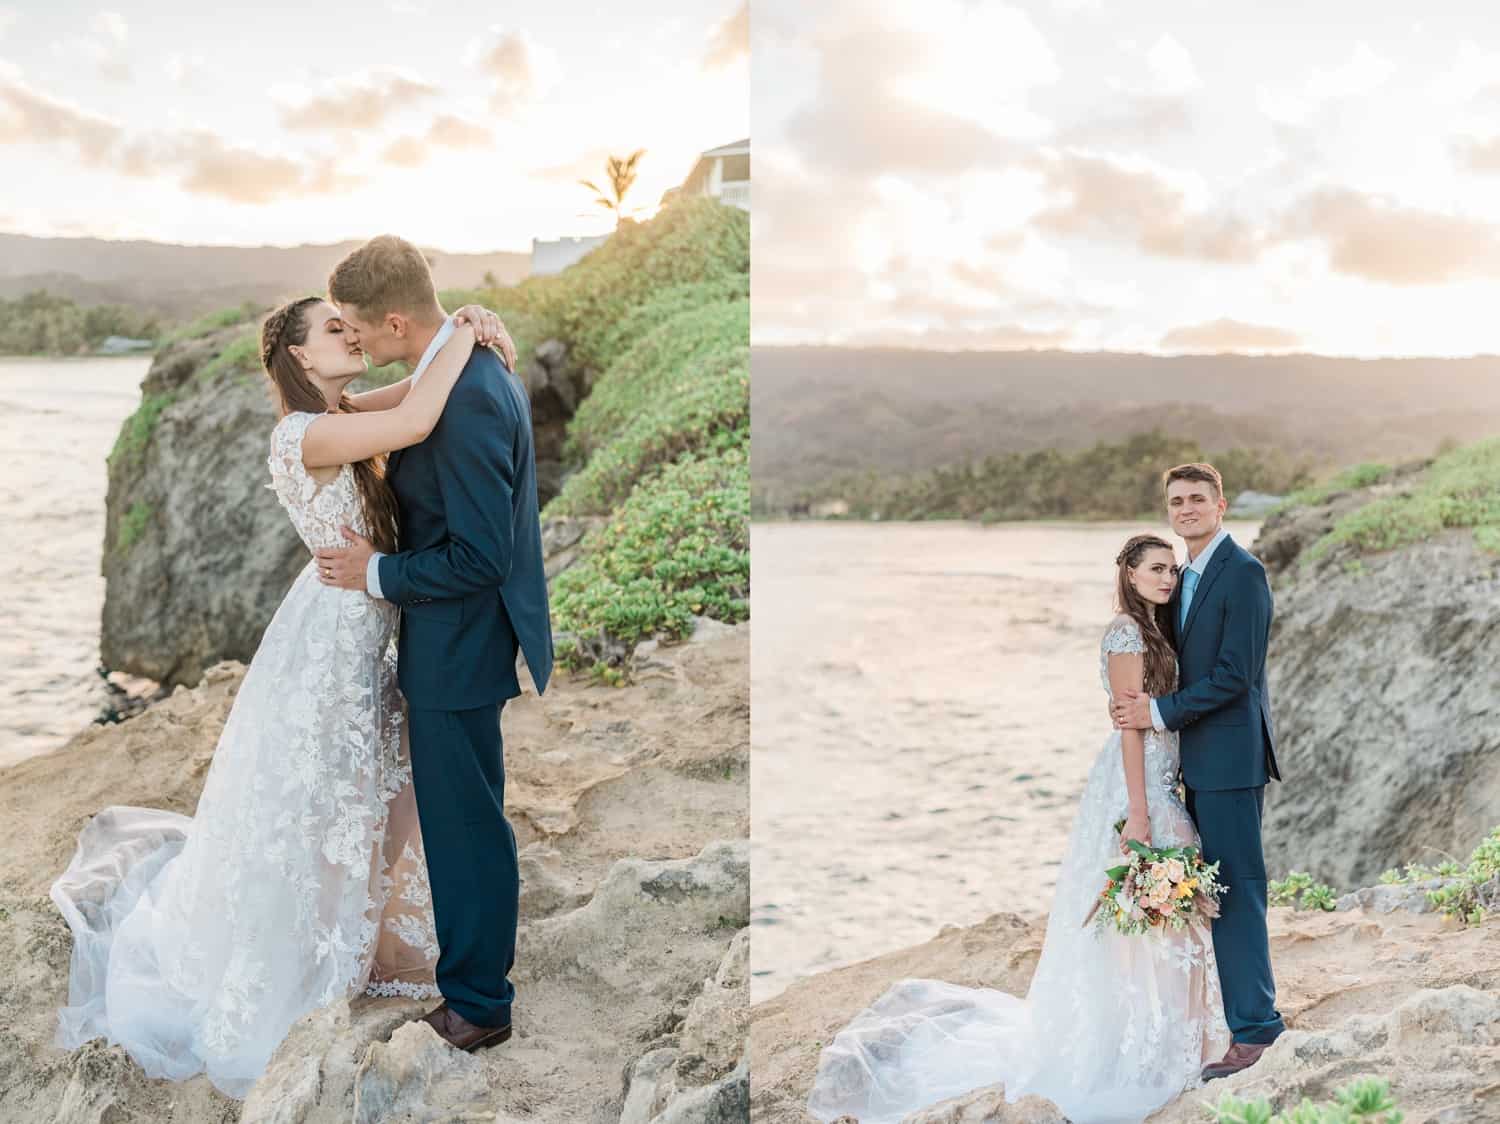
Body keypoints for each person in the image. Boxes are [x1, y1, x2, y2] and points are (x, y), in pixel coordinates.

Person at [50, 292, 510, 1098]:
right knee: (330, 801)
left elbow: (414, 389)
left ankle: (355, 934)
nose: (352, 335)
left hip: (369, 626)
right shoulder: (307, 432)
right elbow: (415, 422)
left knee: (386, 795)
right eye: (334, 330)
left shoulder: (342, 408)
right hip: (333, 639)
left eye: (352, 323)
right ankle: (308, 948)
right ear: (300, 357)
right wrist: (466, 332)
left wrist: (457, 328)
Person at [806, 533, 1228, 1124]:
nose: (1167, 577)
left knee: (1164, 911)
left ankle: (1175, 1036)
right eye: (1155, 569)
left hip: (1162, 777)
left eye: (1173, 569)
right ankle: (1147, 1047)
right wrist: (1139, 810)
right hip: (1138, 784)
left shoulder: (1158, 629)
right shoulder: (1126, 633)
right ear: (1129, 575)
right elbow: (1130, 727)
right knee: (1144, 908)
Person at [313, 234, 555, 1053]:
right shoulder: (457, 362)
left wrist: (377, 573)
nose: (351, 342)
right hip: (454, 643)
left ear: (391, 321)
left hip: (458, 649)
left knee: (465, 829)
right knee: (468, 821)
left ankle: (479, 1004)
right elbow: (403, 402)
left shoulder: (473, 394)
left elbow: (483, 557)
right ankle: (479, 981)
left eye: (354, 327)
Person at [1111, 461, 1285, 1080]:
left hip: (1231, 761)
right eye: (1176, 501)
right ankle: (1223, 1017)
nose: (1185, 508)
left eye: (1196, 499)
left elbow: (1237, 675)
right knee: (1209, 895)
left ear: (1221, 504)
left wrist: (1158, 712)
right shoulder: (1182, 577)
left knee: (1237, 893)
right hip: (1191, 763)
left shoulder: (1243, 573)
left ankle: (1257, 1031)